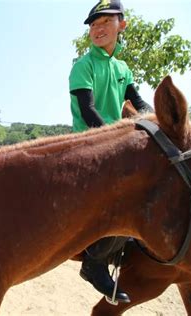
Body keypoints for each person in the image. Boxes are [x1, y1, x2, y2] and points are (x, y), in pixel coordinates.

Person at [68, 0, 152, 304]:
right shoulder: (83, 65)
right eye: (93, 24)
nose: (97, 29)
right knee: (129, 195)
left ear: (122, 25)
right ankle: (94, 263)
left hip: (116, 143)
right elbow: (88, 110)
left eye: (105, 22)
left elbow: (140, 104)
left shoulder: (122, 68)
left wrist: (160, 123)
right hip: (89, 144)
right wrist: (115, 140)